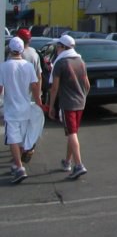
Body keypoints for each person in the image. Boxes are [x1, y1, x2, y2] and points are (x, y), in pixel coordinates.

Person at [0, 37, 43, 184]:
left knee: (13, 138)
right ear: (22, 50)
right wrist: (38, 102)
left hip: (11, 109)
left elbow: (0, 89)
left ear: (10, 50)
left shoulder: (4, 67)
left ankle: (19, 167)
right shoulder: (28, 66)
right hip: (25, 108)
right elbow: (35, 86)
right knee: (21, 138)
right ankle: (16, 164)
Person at [47, 34, 90, 179]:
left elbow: (54, 88)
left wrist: (51, 106)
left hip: (68, 103)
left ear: (63, 47)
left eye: (58, 47)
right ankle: (67, 162)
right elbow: (87, 85)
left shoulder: (61, 63)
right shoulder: (80, 61)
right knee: (73, 133)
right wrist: (82, 96)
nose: (57, 49)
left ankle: (78, 165)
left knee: (71, 133)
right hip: (80, 103)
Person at [17, 28, 45, 163]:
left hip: (18, 95)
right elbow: (39, 76)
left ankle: (22, 151)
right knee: (32, 124)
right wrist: (38, 95)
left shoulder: (15, 54)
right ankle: (29, 146)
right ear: (30, 40)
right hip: (32, 94)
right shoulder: (34, 54)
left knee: (20, 125)